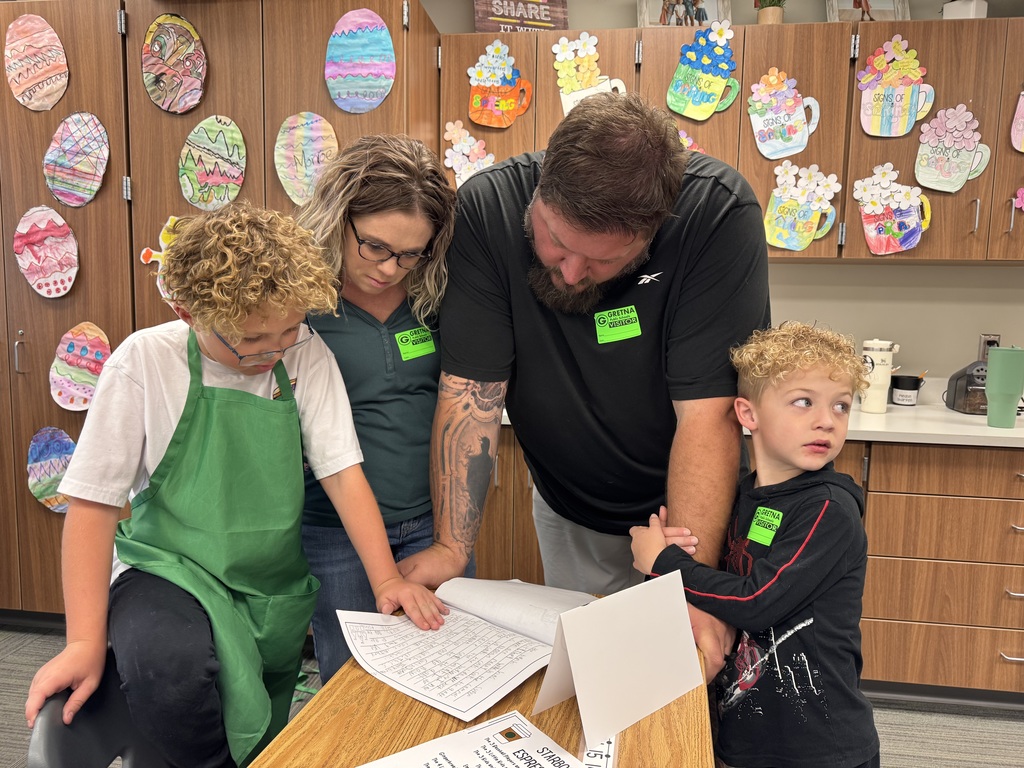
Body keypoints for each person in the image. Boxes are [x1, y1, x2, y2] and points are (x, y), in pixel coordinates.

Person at [24, 203, 446, 768]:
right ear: (187, 310)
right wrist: (81, 643)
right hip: (165, 567)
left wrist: (387, 579)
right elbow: (94, 508)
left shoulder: (306, 355)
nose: (271, 353)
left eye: (288, 332)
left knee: (254, 718)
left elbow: (343, 475)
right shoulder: (145, 362)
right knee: (171, 666)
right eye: (250, 339)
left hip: (264, 582)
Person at [398, 91, 771, 678]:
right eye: (556, 242)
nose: (570, 274)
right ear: (542, 187)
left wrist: (692, 584)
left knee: (685, 678)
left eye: (602, 262)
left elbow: (709, 414)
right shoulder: (488, 208)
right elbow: (472, 393)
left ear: (653, 232)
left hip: (691, 516)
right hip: (568, 505)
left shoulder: (717, 213)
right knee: (592, 683)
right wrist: (452, 546)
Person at [630, 322, 880, 768]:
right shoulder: (748, 497)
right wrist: (678, 552)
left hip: (819, 746)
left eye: (841, 406)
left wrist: (665, 563)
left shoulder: (828, 511)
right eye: (804, 402)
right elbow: (732, 581)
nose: (827, 419)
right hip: (750, 733)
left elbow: (758, 600)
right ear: (748, 414)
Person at [294, 134, 459, 684]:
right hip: (332, 531)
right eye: (375, 247)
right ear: (338, 218)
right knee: (354, 686)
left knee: (447, 671)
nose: (391, 269)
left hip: (433, 525)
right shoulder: (300, 303)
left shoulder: (434, 296)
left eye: (411, 253)